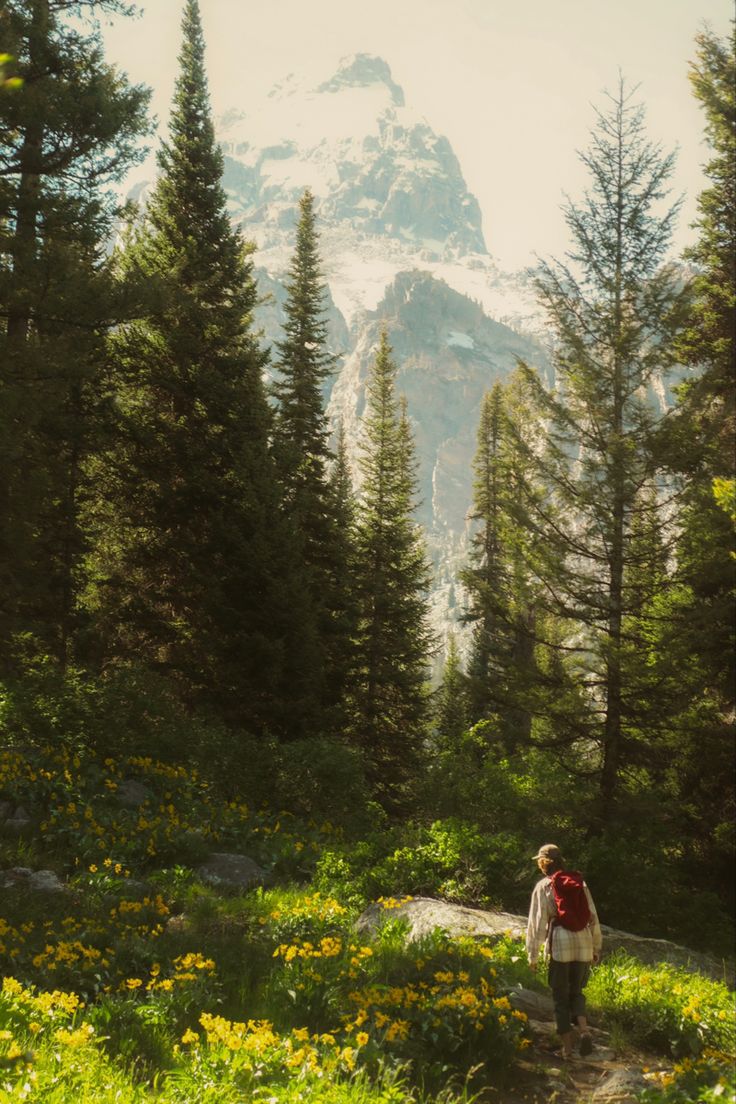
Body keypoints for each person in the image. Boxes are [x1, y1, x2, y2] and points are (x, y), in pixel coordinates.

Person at [525, 843, 602, 1059]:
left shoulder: (544, 886)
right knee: (576, 991)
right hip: (584, 941)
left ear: (543, 863)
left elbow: (537, 923)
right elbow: (593, 916)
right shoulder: (580, 883)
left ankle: (567, 1050)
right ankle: (585, 1032)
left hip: (561, 943)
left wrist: (532, 955)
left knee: (560, 996)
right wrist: (596, 947)